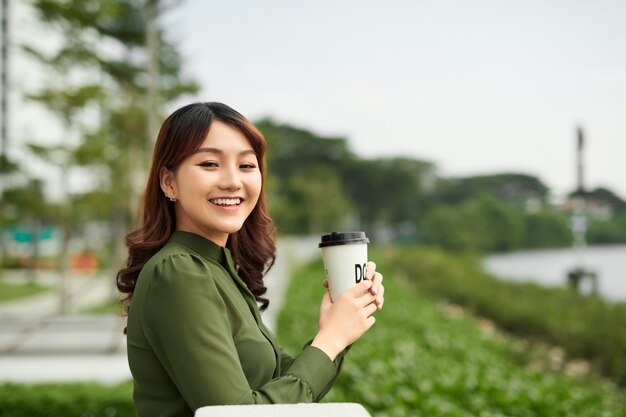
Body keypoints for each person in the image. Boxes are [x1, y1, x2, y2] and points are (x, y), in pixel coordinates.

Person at [116, 102, 385, 417]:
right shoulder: (177, 271)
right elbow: (238, 413)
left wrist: (341, 322)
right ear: (169, 182)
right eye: (209, 164)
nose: (233, 181)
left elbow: (290, 388)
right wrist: (332, 337)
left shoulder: (220, 269)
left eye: (246, 166)